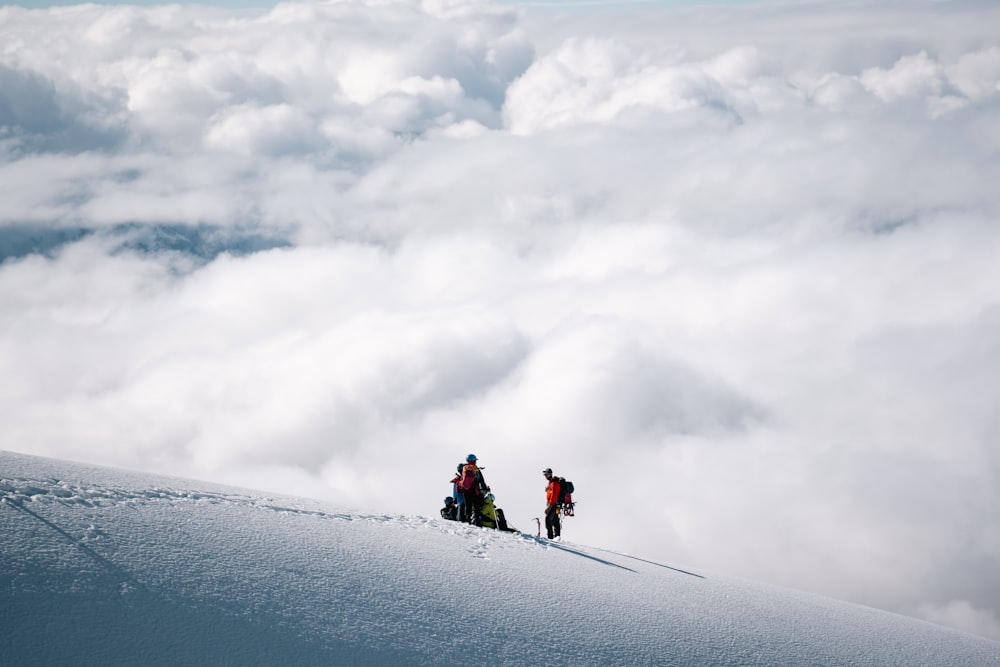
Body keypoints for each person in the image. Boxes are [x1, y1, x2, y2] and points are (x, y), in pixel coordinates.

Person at [457, 454, 489, 526]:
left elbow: (462, 479)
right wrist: (485, 488)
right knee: (476, 505)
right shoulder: (476, 468)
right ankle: (477, 520)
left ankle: (468, 520)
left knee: (468, 505)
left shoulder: (464, 468)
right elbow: (481, 480)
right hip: (475, 490)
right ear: (473, 460)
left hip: (466, 491)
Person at [543, 467, 561, 540]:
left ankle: (550, 538)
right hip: (557, 505)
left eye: (546, 474)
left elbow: (554, 496)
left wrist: (549, 507)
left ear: (550, 474)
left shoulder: (554, 483)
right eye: (545, 475)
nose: (545, 476)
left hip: (554, 505)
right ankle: (557, 537)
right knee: (555, 520)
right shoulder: (551, 483)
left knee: (548, 519)